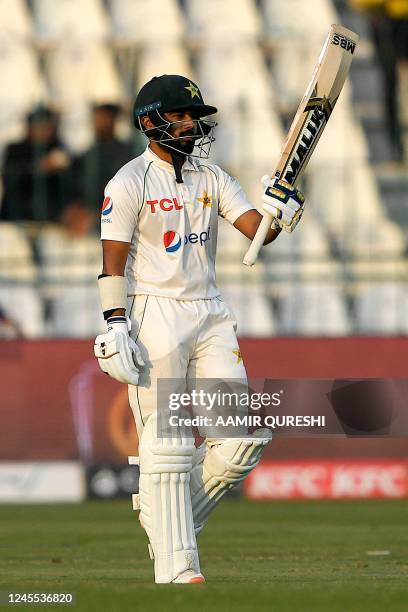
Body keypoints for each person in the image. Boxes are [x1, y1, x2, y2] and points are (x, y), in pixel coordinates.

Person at [94, 74, 305, 584]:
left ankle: (162, 510)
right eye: (180, 115)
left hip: (209, 312)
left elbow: (259, 232)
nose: (192, 123)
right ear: (149, 122)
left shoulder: (213, 177)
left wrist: (285, 207)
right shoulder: (128, 182)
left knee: (241, 441)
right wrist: (115, 324)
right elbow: (112, 264)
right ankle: (177, 568)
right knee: (167, 446)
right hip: (153, 312)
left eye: (194, 115)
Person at [1, 107, 72, 222]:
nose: (44, 131)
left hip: (51, 220)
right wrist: (39, 168)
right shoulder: (15, 149)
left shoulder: (59, 150)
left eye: (48, 127)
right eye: (39, 126)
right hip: (16, 217)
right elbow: (9, 177)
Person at [73, 103, 145, 207]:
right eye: (96, 119)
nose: (98, 123)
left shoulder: (127, 150)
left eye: (103, 118)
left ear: (113, 120)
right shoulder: (89, 155)